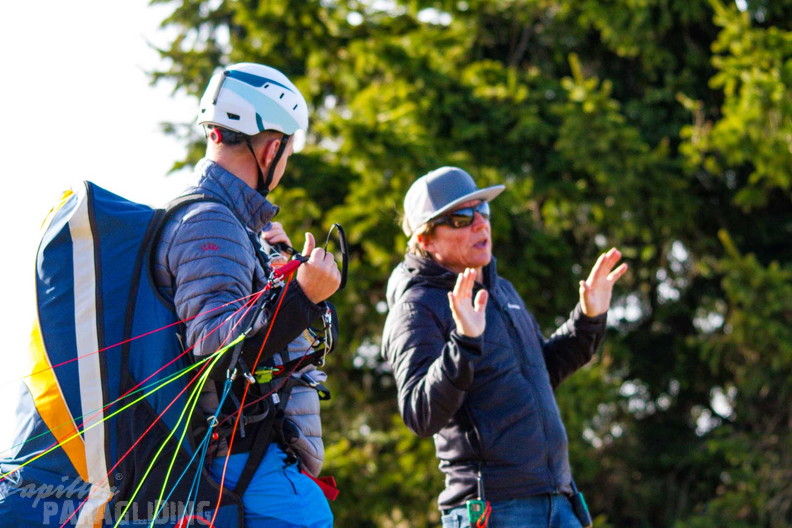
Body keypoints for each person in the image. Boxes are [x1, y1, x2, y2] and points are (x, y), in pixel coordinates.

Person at [381, 166, 628, 528]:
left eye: (484, 212)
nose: (480, 224)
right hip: (494, 509)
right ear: (426, 240)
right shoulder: (417, 307)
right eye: (462, 217)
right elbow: (420, 414)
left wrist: (588, 317)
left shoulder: (502, 290)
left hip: (558, 499)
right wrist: (463, 342)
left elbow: (541, 372)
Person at [153, 62, 340, 528]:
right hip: (238, 461)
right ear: (273, 147)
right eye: (287, 152)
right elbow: (217, 345)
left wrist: (274, 273)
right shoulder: (210, 221)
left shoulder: (224, 222)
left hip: (242, 458)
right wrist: (303, 295)